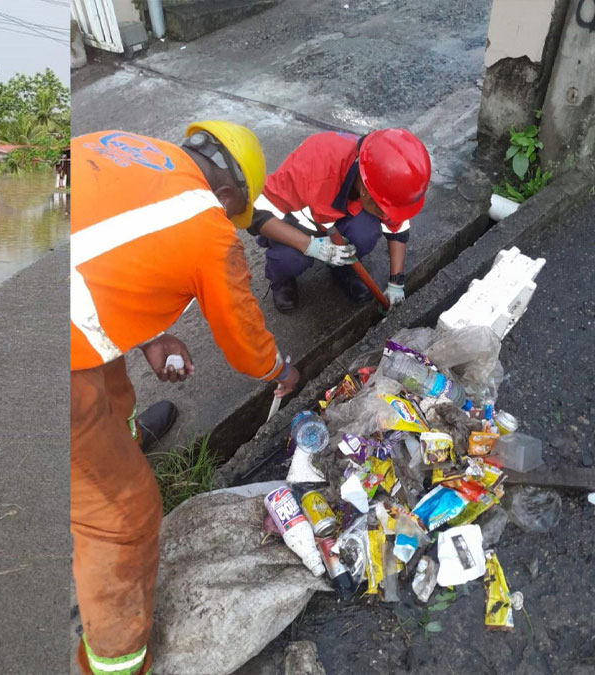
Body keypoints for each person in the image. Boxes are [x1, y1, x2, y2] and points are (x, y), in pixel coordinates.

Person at [70, 123, 302, 675]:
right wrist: (279, 369)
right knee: (123, 517)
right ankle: (114, 661)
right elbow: (245, 344)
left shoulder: (127, 145)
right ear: (228, 197)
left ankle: (113, 447)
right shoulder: (208, 228)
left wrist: (150, 336)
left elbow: (93, 254)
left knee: (111, 385)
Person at [249, 128, 431, 312]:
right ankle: (282, 280)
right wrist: (311, 246)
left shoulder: (379, 174)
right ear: (365, 193)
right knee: (288, 260)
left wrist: (396, 282)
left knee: (366, 232)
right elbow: (255, 214)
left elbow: (398, 230)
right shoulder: (312, 167)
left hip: (337, 219)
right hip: (298, 224)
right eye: (384, 210)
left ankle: (343, 267)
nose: (387, 216)